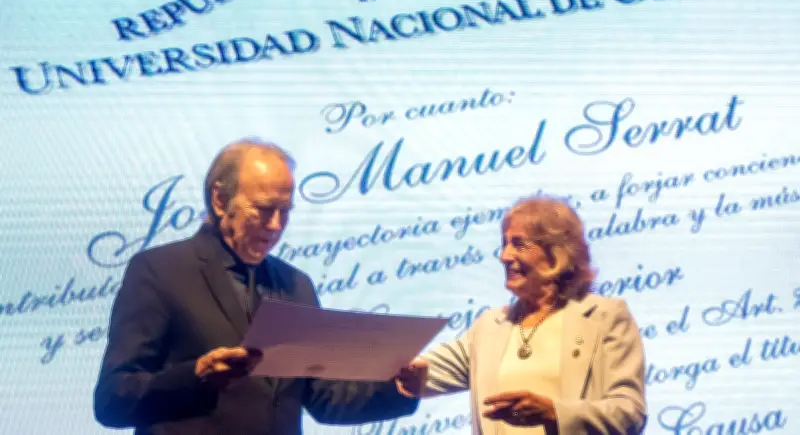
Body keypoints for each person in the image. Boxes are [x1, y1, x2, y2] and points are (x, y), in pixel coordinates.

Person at [93, 138, 419, 435]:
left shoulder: (296, 285)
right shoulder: (160, 270)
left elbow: (323, 397)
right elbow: (112, 400)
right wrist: (195, 377)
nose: (276, 225)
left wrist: (399, 389)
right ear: (220, 200)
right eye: (263, 210)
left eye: (285, 212)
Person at [396, 196, 647, 434]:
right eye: (504, 244)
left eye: (519, 244)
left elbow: (630, 412)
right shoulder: (490, 326)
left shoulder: (604, 317)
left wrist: (555, 414)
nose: (504, 256)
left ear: (556, 253)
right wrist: (402, 367)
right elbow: (425, 371)